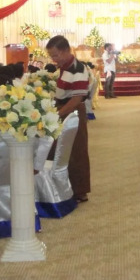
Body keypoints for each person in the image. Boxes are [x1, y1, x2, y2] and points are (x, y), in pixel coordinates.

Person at [46, 35, 91, 203]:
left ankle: (80, 191)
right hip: (63, 108)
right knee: (61, 150)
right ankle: (64, 188)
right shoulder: (65, 66)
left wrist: (59, 115)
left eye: (56, 55)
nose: (54, 59)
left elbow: (76, 99)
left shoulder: (77, 68)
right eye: (51, 56)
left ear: (66, 51)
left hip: (73, 112)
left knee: (76, 151)